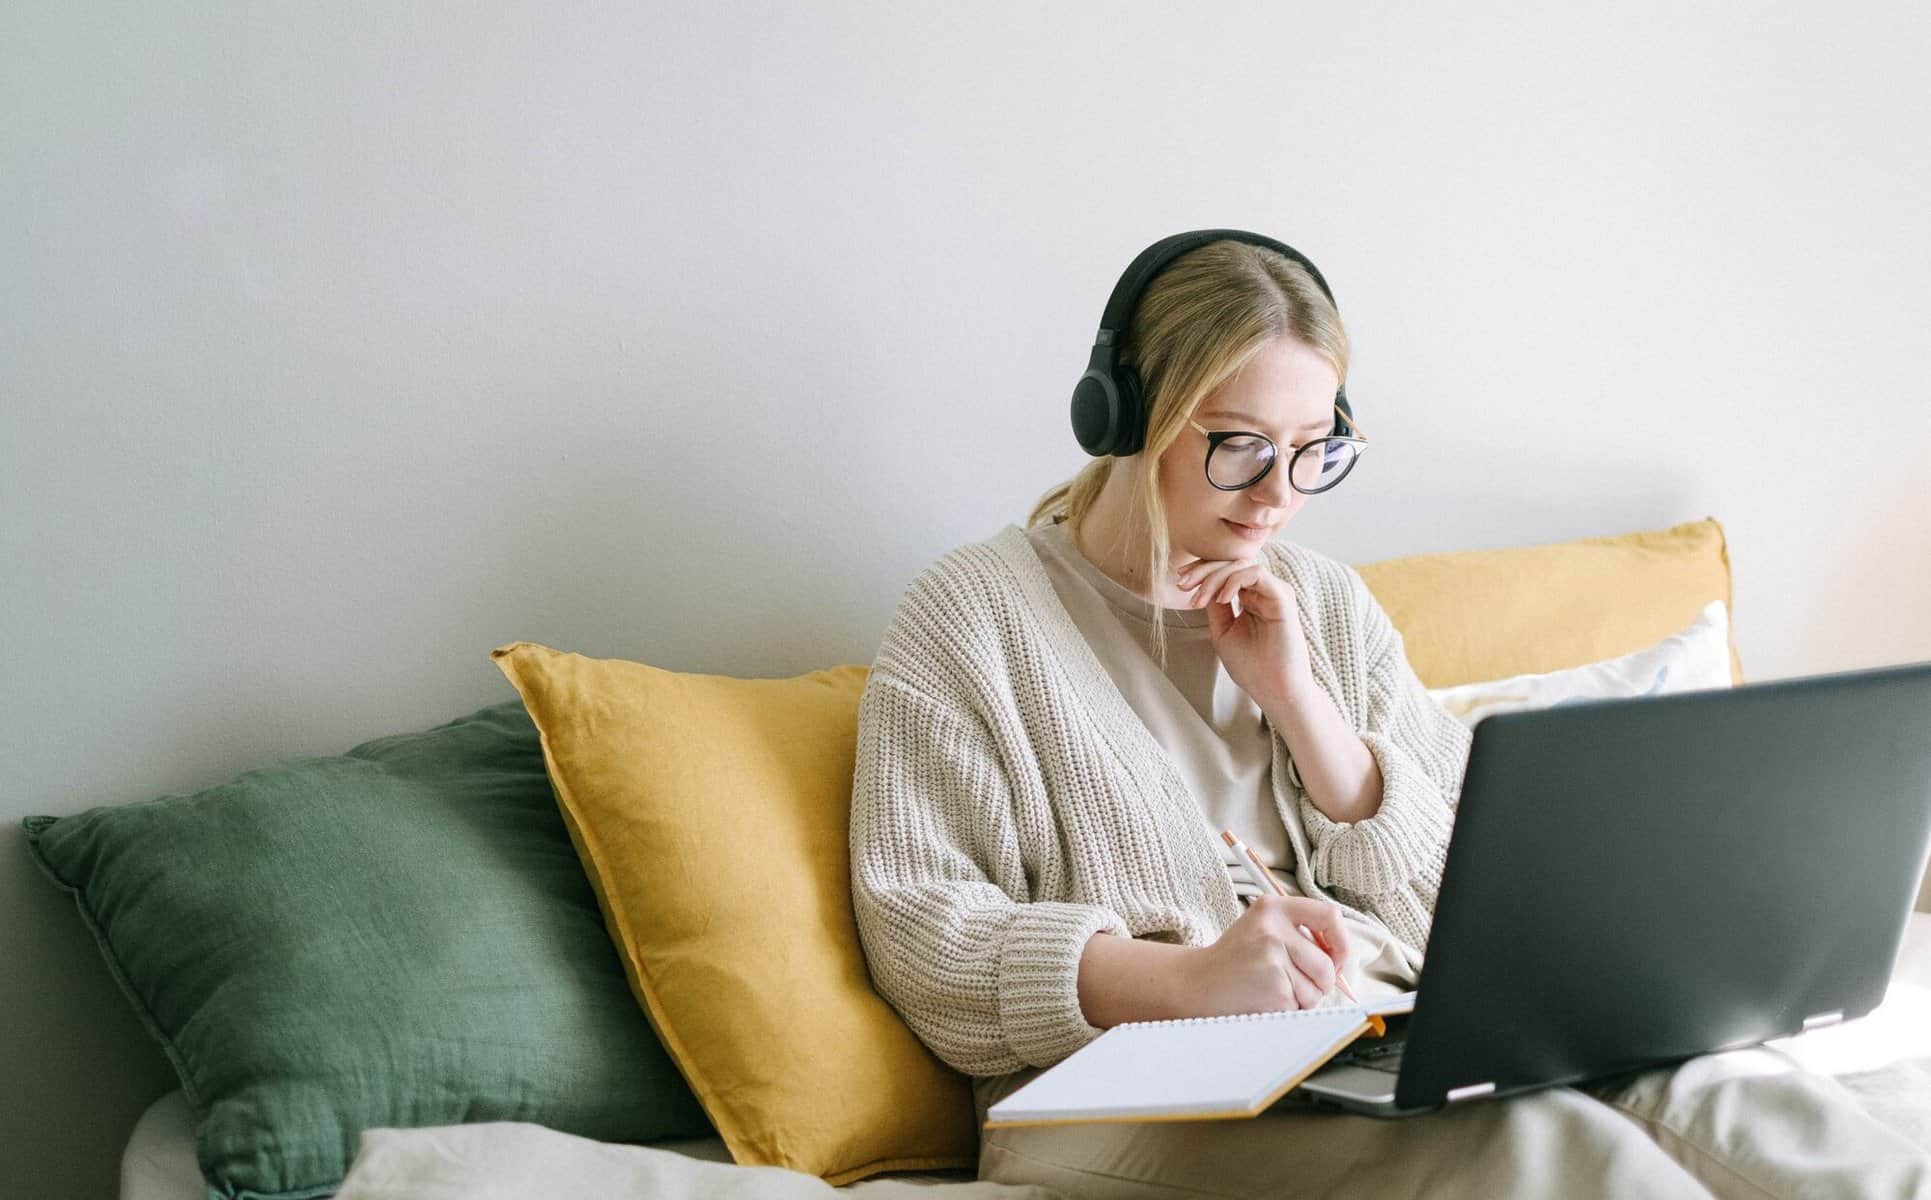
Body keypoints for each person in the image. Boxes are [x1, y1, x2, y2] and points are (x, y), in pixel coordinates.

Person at [848, 233, 1931, 1198]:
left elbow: (1468, 883)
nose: (1277, 494)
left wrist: (1303, 707)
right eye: (1236, 443)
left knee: (1747, 1107)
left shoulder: (1319, 602)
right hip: (1111, 1100)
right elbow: (922, 932)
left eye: (1311, 448)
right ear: (1126, 419)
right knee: (1558, 1154)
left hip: (1375, 1039)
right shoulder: (971, 619)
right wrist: (1185, 981)